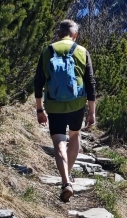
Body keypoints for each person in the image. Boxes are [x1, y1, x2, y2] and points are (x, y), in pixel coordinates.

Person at [33, 19, 97, 202]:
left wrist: (39, 109)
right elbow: (90, 83)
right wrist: (91, 112)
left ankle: (65, 181)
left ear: (59, 34)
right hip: (77, 104)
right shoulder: (82, 51)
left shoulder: (47, 51)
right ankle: (68, 176)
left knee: (59, 141)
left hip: (53, 104)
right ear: (75, 35)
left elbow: (38, 83)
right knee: (75, 136)